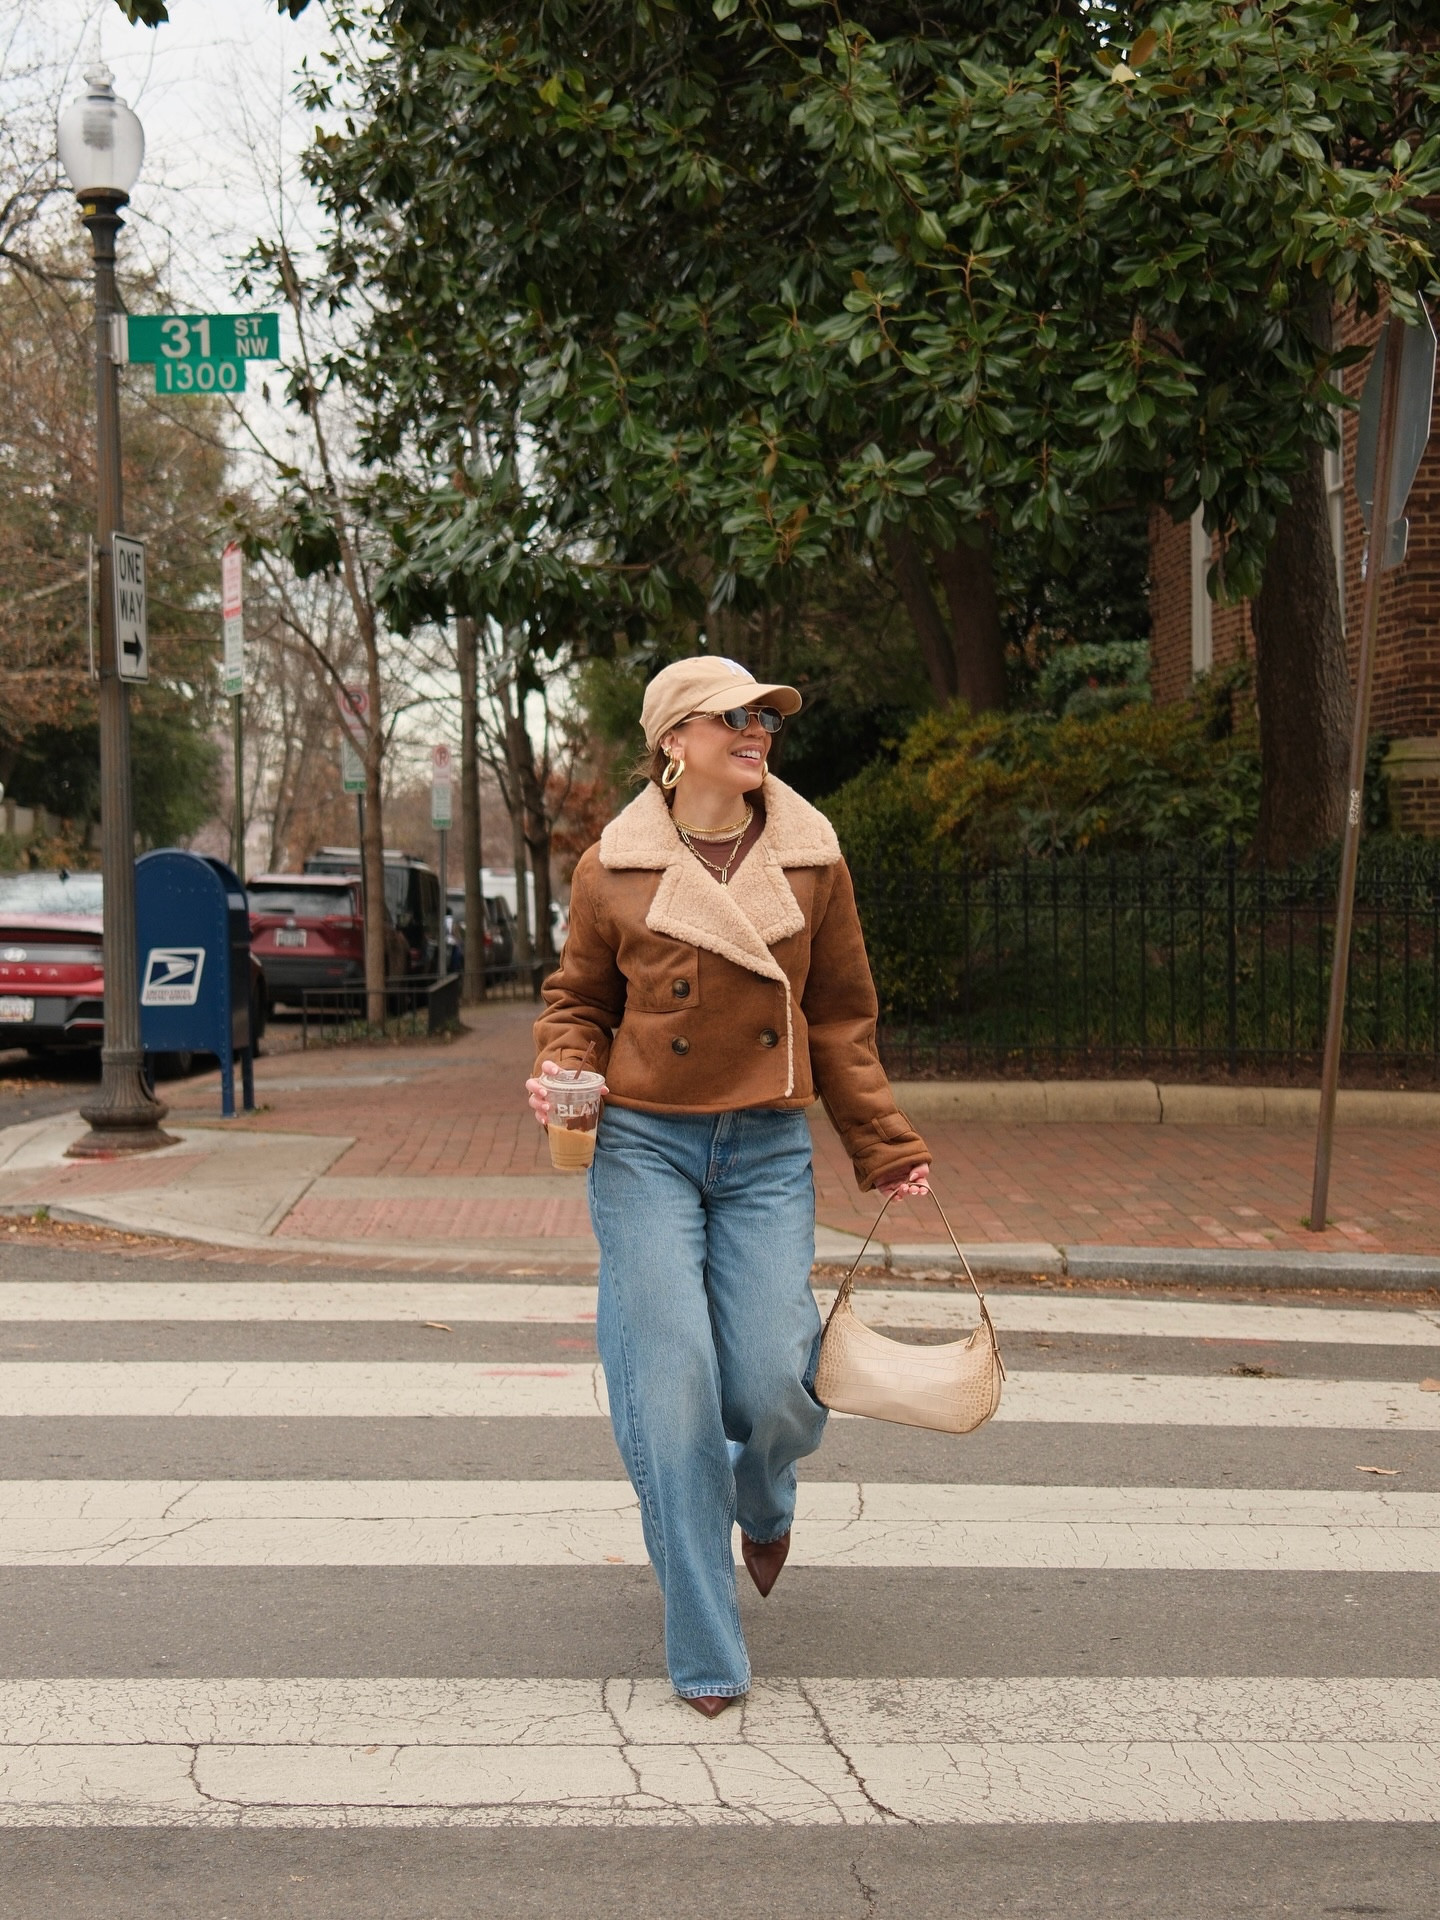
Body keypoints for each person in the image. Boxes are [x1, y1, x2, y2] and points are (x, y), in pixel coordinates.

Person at [527, 656, 930, 1715]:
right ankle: (705, 1646)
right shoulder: (611, 866)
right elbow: (576, 999)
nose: (759, 731)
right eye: (734, 717)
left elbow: (841, 1015)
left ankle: (766, 1484)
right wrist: (564, 1066)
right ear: (675, 742)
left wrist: (883, 1144)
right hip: (645, 1147)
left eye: (766, 718)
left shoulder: (810, 856)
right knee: (673, 1392)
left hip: (762, 1152)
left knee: (771, 1378)